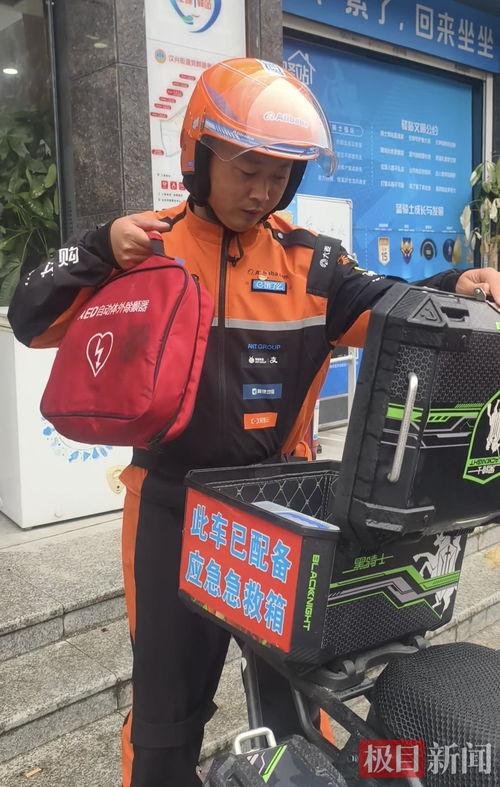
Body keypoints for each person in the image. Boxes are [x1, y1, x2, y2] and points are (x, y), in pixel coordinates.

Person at [8, 58, 500, 787]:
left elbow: (389, 308)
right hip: (171, 507)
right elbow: (30, 319)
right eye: (247, 170)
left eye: (280, 174)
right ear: (199, 156)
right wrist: (96, 248)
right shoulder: (143, 247)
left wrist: (456, 282)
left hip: (282, 511)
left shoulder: (312, 262)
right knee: (166, 717)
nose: (264, 190)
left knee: (303, 702)